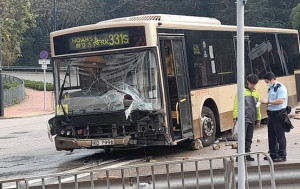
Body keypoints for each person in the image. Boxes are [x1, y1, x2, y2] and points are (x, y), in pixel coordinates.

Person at [233, 74, 261, 161]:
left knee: (249, 137)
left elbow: (258, 107)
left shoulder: (256, 93)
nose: (253, 85)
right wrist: (235, 116)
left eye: (254, 84)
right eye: (251, 84)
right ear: (247, 82)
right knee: (242, 137)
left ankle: (247, 153)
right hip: (243, 119)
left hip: (252, 118)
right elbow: (236, 104)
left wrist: (258, 119)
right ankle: (239, 155)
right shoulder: (242, 92)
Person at [261, 72, 288, 162]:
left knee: (280, 135)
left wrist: (268, 102)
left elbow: (280, 101)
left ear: (272, 79)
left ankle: (282, 155)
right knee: (271, 135)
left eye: (267, 81)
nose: (267, 83)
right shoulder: (271, 89)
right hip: (271, 114)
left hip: (279, 114)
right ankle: (273, 154)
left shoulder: (280, 88)